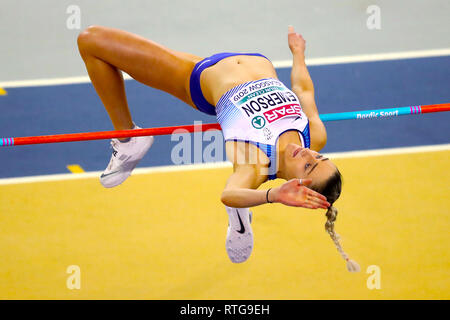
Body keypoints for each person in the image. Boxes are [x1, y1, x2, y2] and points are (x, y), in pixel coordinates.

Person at [77, 25, 359, 272]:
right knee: (96, 43)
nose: (310, 154)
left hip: (200, 79)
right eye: (320, 157)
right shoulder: (314, 135)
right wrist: (298, 54)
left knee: (91, 42)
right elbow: (303, 89)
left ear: (297, 183)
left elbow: (229, 194)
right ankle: (240, 221)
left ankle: (129, 140)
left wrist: (273, 195)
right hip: (247, 62)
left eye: (309, 165)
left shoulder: (257, 162)